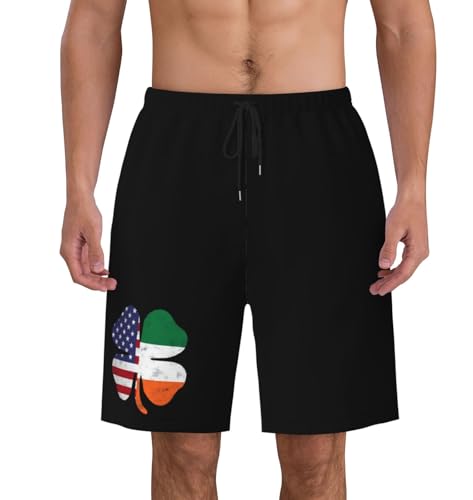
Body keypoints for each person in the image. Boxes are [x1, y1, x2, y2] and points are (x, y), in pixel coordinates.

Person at [59, 0, 435, 498]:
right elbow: (94, 23)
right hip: (176, 158)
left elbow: (403, 24)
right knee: (180, 441)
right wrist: (79, 189)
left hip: (320, 165)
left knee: (315, 449)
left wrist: (413, 187)